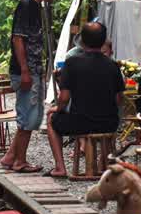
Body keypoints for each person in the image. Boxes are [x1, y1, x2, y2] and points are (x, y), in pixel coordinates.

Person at [0, 0, 64, 174]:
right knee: (29, 117)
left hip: (34, 69)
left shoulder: (36, 6)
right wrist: (25, 70)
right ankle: (20, 161)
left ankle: (10, 157)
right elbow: (18, 38)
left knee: (31, 115)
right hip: (26, 71)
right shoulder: (27, 4)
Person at [44, 22, 123, 178]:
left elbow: (64, 98)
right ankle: (103, 164)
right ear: (103, 41)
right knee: (109, 119)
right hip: (108, 123)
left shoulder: (72, 63)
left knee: (51, 119)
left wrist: (57, 109)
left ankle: (60, 167)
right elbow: (119, 99)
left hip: (79, 123)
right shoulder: (113, 65)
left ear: (83, 41)